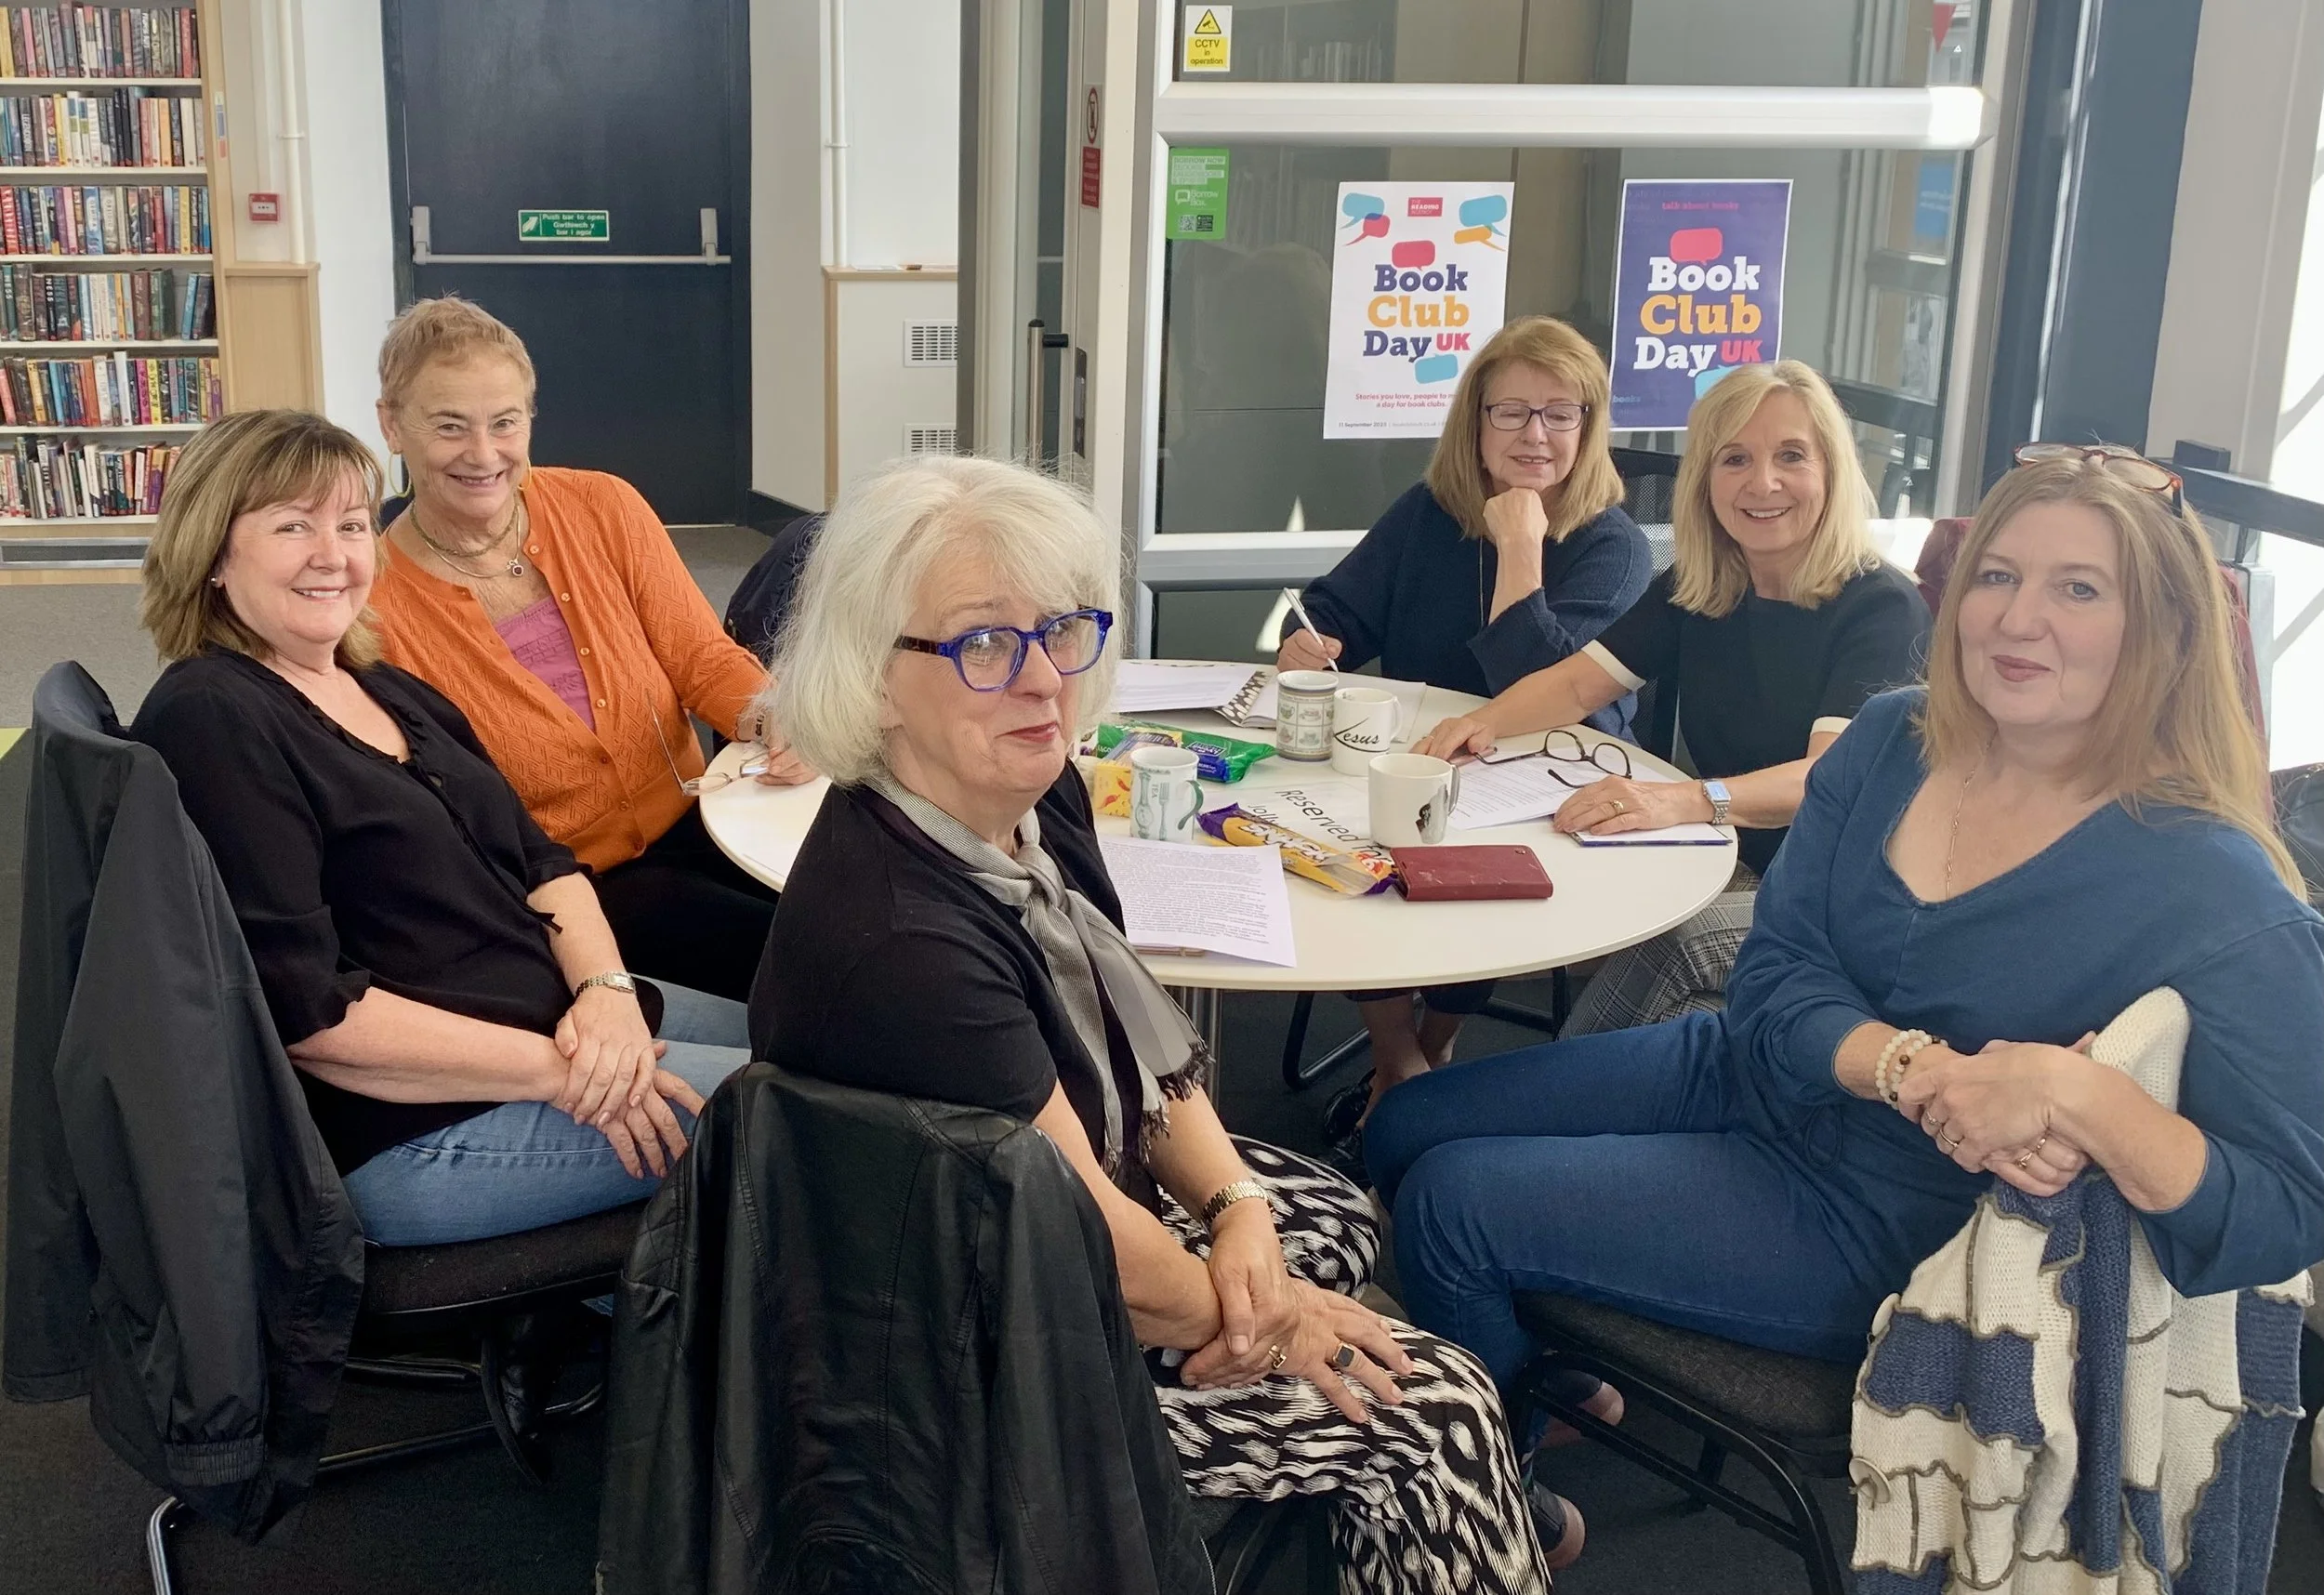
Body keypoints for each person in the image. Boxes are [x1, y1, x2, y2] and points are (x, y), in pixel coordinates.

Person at [751, 455, 1565, 1590]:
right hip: (982, 1363)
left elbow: (1141, 1061)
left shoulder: (1033, 796)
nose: (1041, 682)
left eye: (1062, 630)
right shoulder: (897, 940)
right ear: (874, 676)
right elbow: (1085, 1249)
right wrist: (1280, 1322)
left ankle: (1421, 1524)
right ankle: (1444, 1500)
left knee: (1326, 1210)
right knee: (1434, 1410)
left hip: (1056, 1240)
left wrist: (1234, 1212)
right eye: (983, 644)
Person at [1367, 449, 2324, 1400]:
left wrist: (2081, 1099)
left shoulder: (2213, 881)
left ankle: (1508, 1498)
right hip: (1752, 1069)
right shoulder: (1892, 740)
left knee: (1454, 1206)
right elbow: (1775, 977)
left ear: (2161, 630)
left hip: (1887, 1213)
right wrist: (1917, 1067)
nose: (2016, 618)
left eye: (2078, 589)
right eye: (1997, 575)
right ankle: (1545, 1371)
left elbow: (2290, 1209)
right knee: (1401, 1125)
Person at [133, 409, 753, 1246]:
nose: (334, 554)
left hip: (549, 1017)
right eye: (291, 526)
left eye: (352, 524)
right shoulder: (214, 717)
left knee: (814, 1038)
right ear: (211, 554)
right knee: (811, 1120)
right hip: (421, 1128)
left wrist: (605, 998)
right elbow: (313, 1018)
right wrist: (569, 1072)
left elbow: (542, 860)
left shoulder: (381, 684)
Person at [1417, 361, 1928, 1035]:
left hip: (1838, 896)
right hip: (1726, 857)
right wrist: (1473, 727)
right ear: (1705, 481)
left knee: (1674, 951)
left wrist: (1684, 800)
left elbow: (1821, 781)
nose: (1763, 482)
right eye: (1735, 458)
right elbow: (1576, 684)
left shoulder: (1882, 608)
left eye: (1791, 456)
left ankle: (1545, 1101)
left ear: (1832, 470)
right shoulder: (1703, 585)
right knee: (1549, 878)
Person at [365, 296, 807, 1003]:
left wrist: (771, 717)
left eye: (505, 422)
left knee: (871, 910)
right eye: (450, 426)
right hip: (573, 892)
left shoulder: (604, 506)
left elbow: (700, 658)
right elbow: (448, 820)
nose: (484, 454)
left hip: (707, 818)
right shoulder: (376, 606)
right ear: (392, 426)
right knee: (810, 963)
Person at [1280, 315, 1654, 1130]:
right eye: (1511, 412)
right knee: (1358, 843)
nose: (1536, 433)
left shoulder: (1614, 547)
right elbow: (1333, 605)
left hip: (1546, 780)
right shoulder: (1428, 513)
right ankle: (1399, 1062)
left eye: (1562, 413)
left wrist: (1522, 541)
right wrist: (1310, 639)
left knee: (1475, 874)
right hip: (1419, 759)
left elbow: (1542, 686)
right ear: (1474, 424)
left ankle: (1434, 1044)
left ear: (1589, 428)